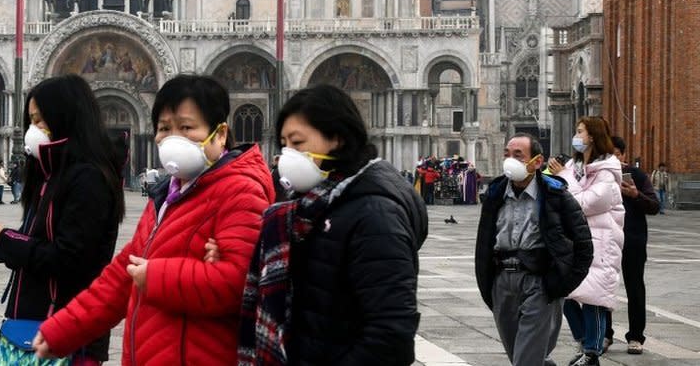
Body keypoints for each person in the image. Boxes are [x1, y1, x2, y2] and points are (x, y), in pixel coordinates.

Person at [34, 74, 274, 365]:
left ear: (220, 134)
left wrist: (156, 276)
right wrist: (64, 329)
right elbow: (124, 273)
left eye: (186, 127)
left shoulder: (241, 190)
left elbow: (240, 286)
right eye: (164, 128)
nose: (173, 138)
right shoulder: (168, 194)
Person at [237, 84, 427, 365]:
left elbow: (390, 335)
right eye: (284, 144)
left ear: (336, 139)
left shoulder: (375, 214)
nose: (287, 154)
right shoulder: (301, 211)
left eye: (298, 143)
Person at [0, 75, 127, 365]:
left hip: (66, 333)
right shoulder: (50, 173)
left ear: (67, 118)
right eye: (31, 121)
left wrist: (5, 239)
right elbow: (37, 247)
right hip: (32, 329)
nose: (34, 130)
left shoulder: (88, 177)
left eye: (41, 121)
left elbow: (68, 258)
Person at [476, 133, 594, 366]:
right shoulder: (495, 195)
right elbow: (484, 243)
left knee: (526, 359)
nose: (511, 160)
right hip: (502, 282)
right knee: (520, 353)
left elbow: (583, 245)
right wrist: (488, 283)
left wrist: (560, 286)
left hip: (538, 281)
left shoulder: (556, 195)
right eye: (507, 155)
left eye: (518, 155)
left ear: (537, 162)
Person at [549, 116, 625, 366]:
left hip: (601, 241)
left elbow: (587, 203)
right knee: (568, 296)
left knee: (593, 299)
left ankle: (592, 352)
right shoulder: (575, 164)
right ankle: (584, 343)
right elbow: (564, 197)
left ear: (592, 136)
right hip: (578, 240)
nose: (576, 135)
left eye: (580, 131)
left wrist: (565, 178)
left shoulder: (608, 170)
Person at [603, 136, 659, 355]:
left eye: (617, 154)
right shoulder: (600, 176)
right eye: (609, 155)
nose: (614, 159)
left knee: (635, 288)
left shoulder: (636, 176)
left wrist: (636, 194)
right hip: (607, 241)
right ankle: (605, 334)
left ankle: (636, 336)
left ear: (624, 155)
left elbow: (654, 206)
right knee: (604, 288)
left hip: (633, 240)